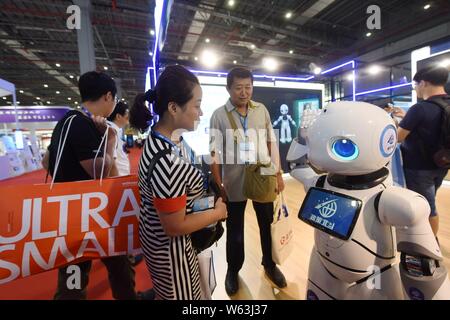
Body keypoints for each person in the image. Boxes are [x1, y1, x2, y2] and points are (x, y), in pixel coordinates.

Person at [130, 65, 227, 300]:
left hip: (180, 248)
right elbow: (174, 226)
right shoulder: (166, 160)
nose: (201, 113)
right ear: (173, 107)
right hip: (173, 255)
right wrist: (217, 213)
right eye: (196, 105)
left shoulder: (172, 141)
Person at [44, 71, 137, 300]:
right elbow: (100, 171)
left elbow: (46, 161)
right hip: (91, 213)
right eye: (113, 99)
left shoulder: (65, 121)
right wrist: (110, 141)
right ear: (107, 96)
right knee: (108, 263)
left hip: (69, 212)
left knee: (81, 269)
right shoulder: (84, 125)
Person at [209, 67, 287, 296]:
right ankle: (233, 270)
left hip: (263, 177)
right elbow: (214, 152)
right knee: (235, 230)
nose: (244, 92)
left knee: (266, 224)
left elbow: (271, 143)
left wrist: (278, 174)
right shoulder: (219, 115)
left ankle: (270, 265)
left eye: (248, 87)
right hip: (233, 182)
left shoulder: (261, 110)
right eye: (238, 88)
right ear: (228, 89)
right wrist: (218, 184)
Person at [393, 66, 450, 237]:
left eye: (415, 85)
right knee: (429, 201)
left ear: (423, 83)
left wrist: (395, 123)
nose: (415, 89)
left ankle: (429, 246)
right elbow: (434, 125)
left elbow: (398, 137)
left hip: (419, 168)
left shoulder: (419, 109)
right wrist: (406, 117)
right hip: (442, 163)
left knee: (426, 208)